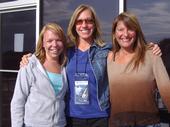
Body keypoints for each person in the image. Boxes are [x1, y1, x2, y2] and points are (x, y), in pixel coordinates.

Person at [19, 4, 162, 127]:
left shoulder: (107, 51)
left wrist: (149, 48)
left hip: (100, 117)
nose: (84, 25)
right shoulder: (66, 51)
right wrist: (29, 57)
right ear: (74, 25)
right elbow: (48, 52)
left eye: (89, 21)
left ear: (94, 24)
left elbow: (129, 49)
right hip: (71, 117)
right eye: (79, 21)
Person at [107, 12, 170, 127]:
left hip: (149, 123)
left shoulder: (151, 55)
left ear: (137, 32)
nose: (125, 34)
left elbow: (167, 91)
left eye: (130, 29)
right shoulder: (109, 58)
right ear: (114, 33)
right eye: (120, 29)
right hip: (117, 124)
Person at [11, 23, 68, 127]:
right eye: (49, 41)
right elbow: (18, 102)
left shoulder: (66, 66)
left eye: (58, 40)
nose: (54, 44)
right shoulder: (30, 65)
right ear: (43, 43)